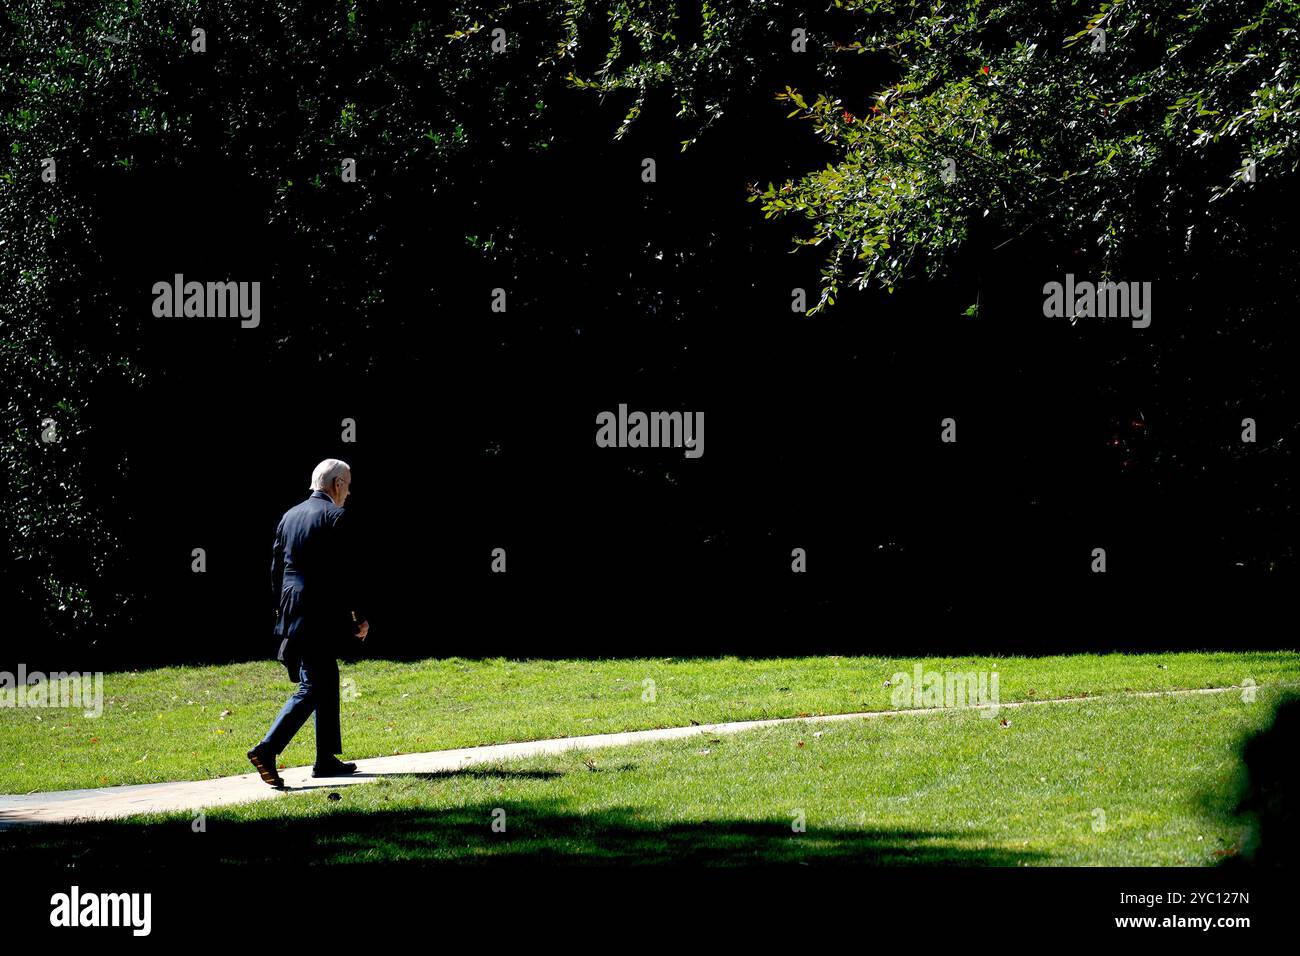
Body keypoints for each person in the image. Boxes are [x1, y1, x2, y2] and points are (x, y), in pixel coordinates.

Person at [247, 459, 370, 787]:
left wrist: (280, 611)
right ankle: (267, 749)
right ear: (338, 485)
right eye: (349, 484)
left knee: (325, 678)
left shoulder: (289, 516)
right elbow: (345, 575)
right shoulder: (335, 517)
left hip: (292, 610)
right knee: (313, 685)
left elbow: (275, 570)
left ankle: (326, 758)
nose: (349, 492)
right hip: (318, 612)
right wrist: (357, 618)